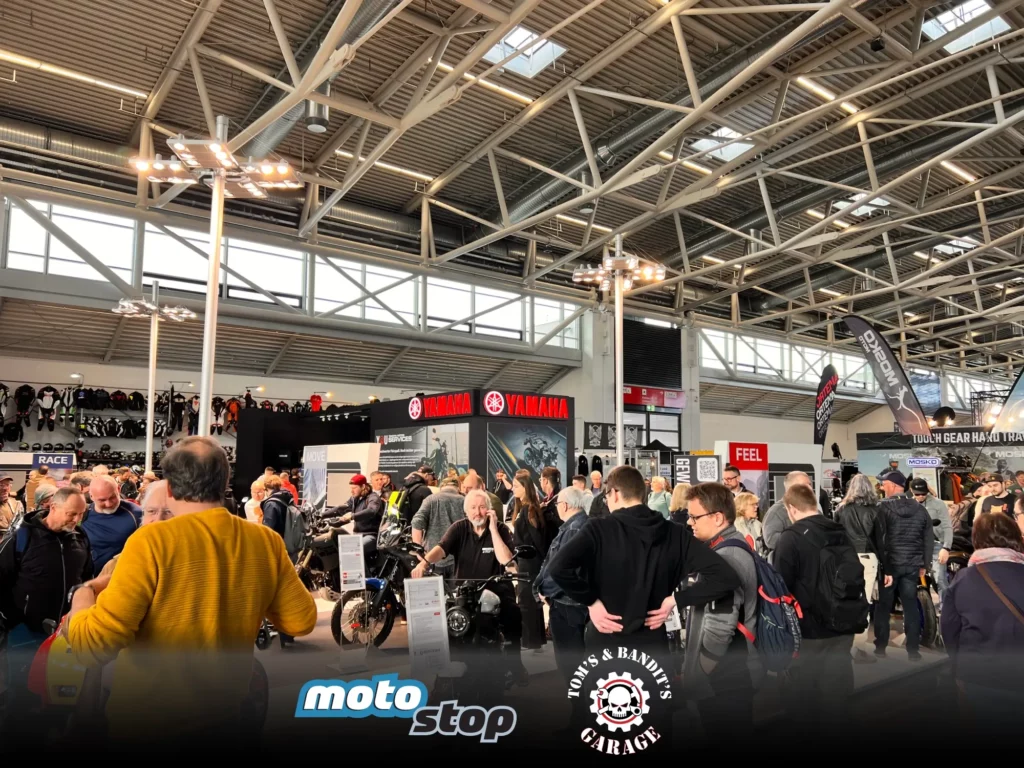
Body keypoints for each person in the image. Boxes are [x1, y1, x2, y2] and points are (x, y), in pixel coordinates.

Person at [65, 437, 317, 745]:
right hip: (228, 720)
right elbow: (301, 621)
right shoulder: (266, 542)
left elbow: (91, 647)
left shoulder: (150, 542)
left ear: (170, 489)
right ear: (224, 482)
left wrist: (83, 593)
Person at [547, 466, 740, 652]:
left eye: (606, 497)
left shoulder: (598, 529)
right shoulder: (675, 534)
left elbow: (558, 568)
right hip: (653, 643)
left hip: (605, 637)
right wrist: (675, 600)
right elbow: (725, 577)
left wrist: (591, 601)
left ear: (615, 493)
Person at [411, 488, 527, 684]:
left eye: (482, 507)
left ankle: (515, 663)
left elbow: (506, 560)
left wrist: (493, 529)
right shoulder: (459, 528)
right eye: (473, 508)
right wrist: (424, 563)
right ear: (466, 511)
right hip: (465, 591)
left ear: (489, 510)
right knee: (445, 620)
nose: (477, 512)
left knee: (513, 614)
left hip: (496, 589)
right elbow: (441, 548)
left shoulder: (501, 529)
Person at [0, 487, 91, 730]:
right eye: (72, 514)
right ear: (53, 507)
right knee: (22, 695)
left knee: (60, 696)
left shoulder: (80, 537)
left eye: (81, 514)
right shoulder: (22, 537)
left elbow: (86, 578)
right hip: (26, 632)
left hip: (66, 635)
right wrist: (12, 617)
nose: (77, 520)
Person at [774, 484, 862, 729]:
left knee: (803, 697)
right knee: (837, 693)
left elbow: (781, 587)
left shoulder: (790, 537)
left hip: (808, 628)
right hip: (844, 621)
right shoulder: (839, 531)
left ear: (791, 508)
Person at [680, 482, 759, 740]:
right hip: (730, 673)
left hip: (724, 677)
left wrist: (700, 673)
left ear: (717, 518)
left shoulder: (726, 555)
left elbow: (720, 625)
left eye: (695, 517)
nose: (690, 522)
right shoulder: (728, 545)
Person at [940, 511, 1024, 732]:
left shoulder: (963, 579)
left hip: (977, 675)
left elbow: (949, 629)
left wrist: (959, 665)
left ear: (976, 540)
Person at [874, 470, 932, 661]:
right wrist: (925, 564)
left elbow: (879, 539)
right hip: (912, 565)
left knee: (883, 607)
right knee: (910, 606)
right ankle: (913, 651)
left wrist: (882, 564)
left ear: (892, 485)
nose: (882, 487)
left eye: (884, 484)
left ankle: (880, 648)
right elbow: (928, 538)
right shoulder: (920, 509)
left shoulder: (882, 508)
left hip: (890, 567)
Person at [534, 486, 590, 682]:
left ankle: (579, 701)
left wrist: (544, 590)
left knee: (570, 665)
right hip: (573, 603)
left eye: (557, 504)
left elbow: (562, 569)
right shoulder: (582, 525)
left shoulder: (573, 529)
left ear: (565, 505)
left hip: (567, 604)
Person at [834, 473, 892, 660]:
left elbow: (835, 537)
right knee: (864, 602)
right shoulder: (876, 510)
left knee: (845, 600)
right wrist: (887, 569)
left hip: (846, 559)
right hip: (867, 559)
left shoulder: (841, 509)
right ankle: (858, 647)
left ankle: (843, 643)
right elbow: (881, 542)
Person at [512, 470, 553, 650]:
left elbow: (538, 540)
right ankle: (534, 640)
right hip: (526, 561)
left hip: (530, 562)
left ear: (525, 487)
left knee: (527, 601)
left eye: (516, 486)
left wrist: (542, 562)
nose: (512, 489)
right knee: (529, 601)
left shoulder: (529, 510)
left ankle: (531, 640)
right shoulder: (525, 508)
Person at [80, 474, 142, 576]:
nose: (108, 504)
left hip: (121, 578)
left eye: (112, 497)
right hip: (88, 579)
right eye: (102, 500)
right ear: (91, 496)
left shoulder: (135, 514)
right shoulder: (81, 514)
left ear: (118, 490)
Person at [411, 477, 465, 581]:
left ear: (441, 487)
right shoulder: (464, 500)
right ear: (458, 488)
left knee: (435, 591)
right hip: (458, 560)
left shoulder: (431, 499)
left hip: (432, 558)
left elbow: (417, 522)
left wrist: (418, 550)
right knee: (456, 591)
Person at [910, 478, 953, 604]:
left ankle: (946, 609)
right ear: (912, 491)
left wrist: (946, 547)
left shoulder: (938, 504)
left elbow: (947, 526)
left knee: (940, 579)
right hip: (916, 546)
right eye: (917, 494)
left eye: (924, 493)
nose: (921, 496)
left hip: (936, 544)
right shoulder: (908, 504)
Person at [762, 471, 816, 559]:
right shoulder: (776, 512)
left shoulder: (814, 509)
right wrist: (800, 538)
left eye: (810, 484)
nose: (809, 488)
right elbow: (770, 539)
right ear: (791, 488)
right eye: (805, 485)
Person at [259, 475, 293, 541]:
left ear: (266, 489)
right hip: (288, 538)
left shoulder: (271, 504)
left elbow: (268, 528)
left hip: (277, 541)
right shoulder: (287, 497)